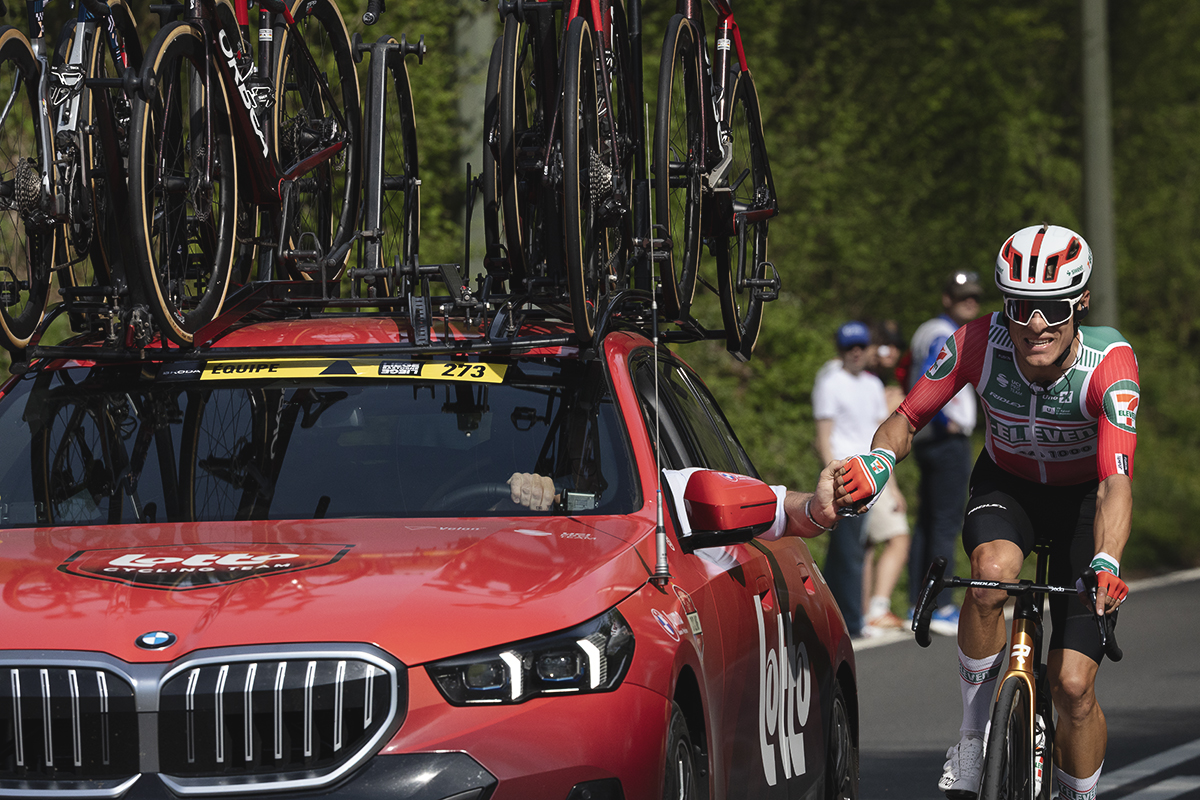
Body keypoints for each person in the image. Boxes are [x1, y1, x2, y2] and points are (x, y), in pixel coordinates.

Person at [836, 224, 1137, 800]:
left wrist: (1106, 558)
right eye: (1020, 307)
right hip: (1010, 487)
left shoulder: (1110, 363)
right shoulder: (977, 342)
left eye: (1053, 308)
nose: (1036, 325)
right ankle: (973, 741)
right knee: (988, 576)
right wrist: (878, 460)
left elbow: (1114, 483)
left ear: (1081, 303)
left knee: (1073, 686)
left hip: (1083, 504)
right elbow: (907, 417)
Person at [905, 270, 984, 636]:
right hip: (944, 439)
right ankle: (940, 606)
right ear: (946, 298)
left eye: (975, 296)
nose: (970, 301)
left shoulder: (927, 330)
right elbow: (929, 377)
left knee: (927, 523)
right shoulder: (945, 334)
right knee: (946, 523)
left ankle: (917, 603)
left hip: (927, 440)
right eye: (962, 295)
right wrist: (943, 422)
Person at [813, 321, 889, 637]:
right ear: (840, 350)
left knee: (853, 548)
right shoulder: (831, 383)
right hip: (844, 474)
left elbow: (883, 436)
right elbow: (824, 437)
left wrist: (892, 485)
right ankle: (852, 621)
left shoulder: (873, 385)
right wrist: (832, 477)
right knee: (848, 550)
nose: (855, 352)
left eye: (860, 346)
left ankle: (835, 617)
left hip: (871, 474)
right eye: (849, 347)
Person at [862, 320, 910, 629]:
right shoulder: (870, 384)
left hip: (861, 464)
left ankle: (863, 612)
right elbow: (879, 436)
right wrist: (892, 488)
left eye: (896, 346)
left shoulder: (873, 381)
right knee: (898, 536)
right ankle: (878, 608)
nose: (891, 352)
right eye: (885, 345)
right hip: (870, 467)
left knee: (865, 545)